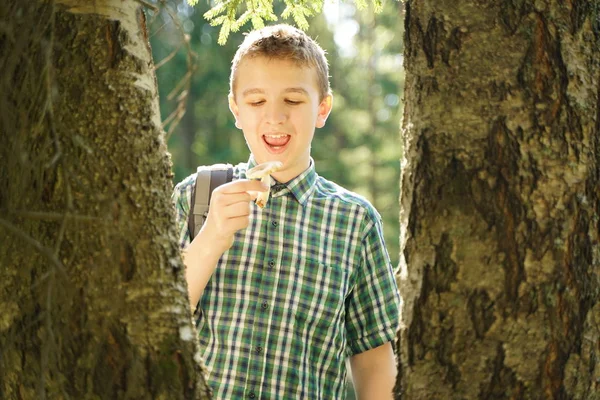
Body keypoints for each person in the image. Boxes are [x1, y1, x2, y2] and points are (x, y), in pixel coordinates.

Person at [171, 24, 401, 399]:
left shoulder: (354, 222)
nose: (275, 117)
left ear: (322, 108)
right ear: (236, 109)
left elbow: (373, 357)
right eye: (257, 102)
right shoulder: (196, 196)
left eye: (293, 101)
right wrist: (211, 239)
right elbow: (161, 319)